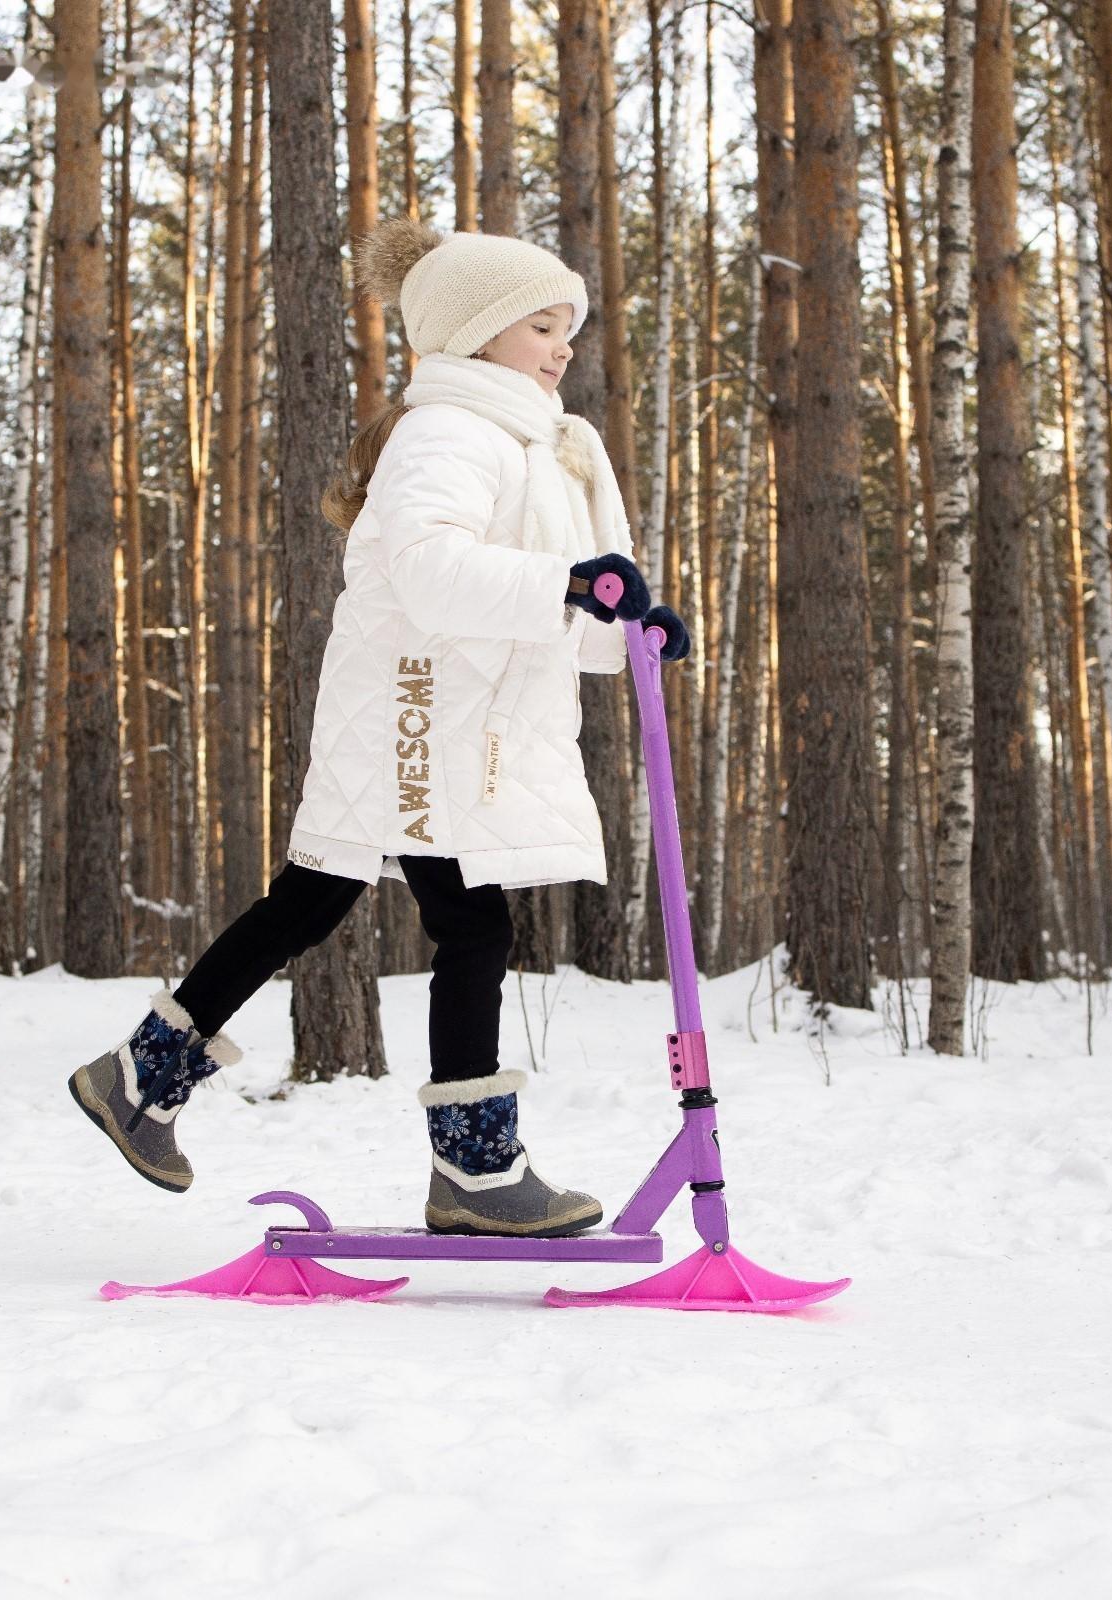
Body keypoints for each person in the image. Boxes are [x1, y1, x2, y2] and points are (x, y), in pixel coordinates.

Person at [69, 217, 690, 1238]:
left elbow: (543, 613)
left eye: (566, 325)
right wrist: (568, 582)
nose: (562, 344)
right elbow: (431, 571)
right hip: (417, 711)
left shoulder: (527, 442)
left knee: (312, 902)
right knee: (466, 925)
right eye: (540, 324)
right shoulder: (447, 430)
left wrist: (621, 626)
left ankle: (142, 1074)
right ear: (476, 333)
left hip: (451, 721)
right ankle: (475, 1174)